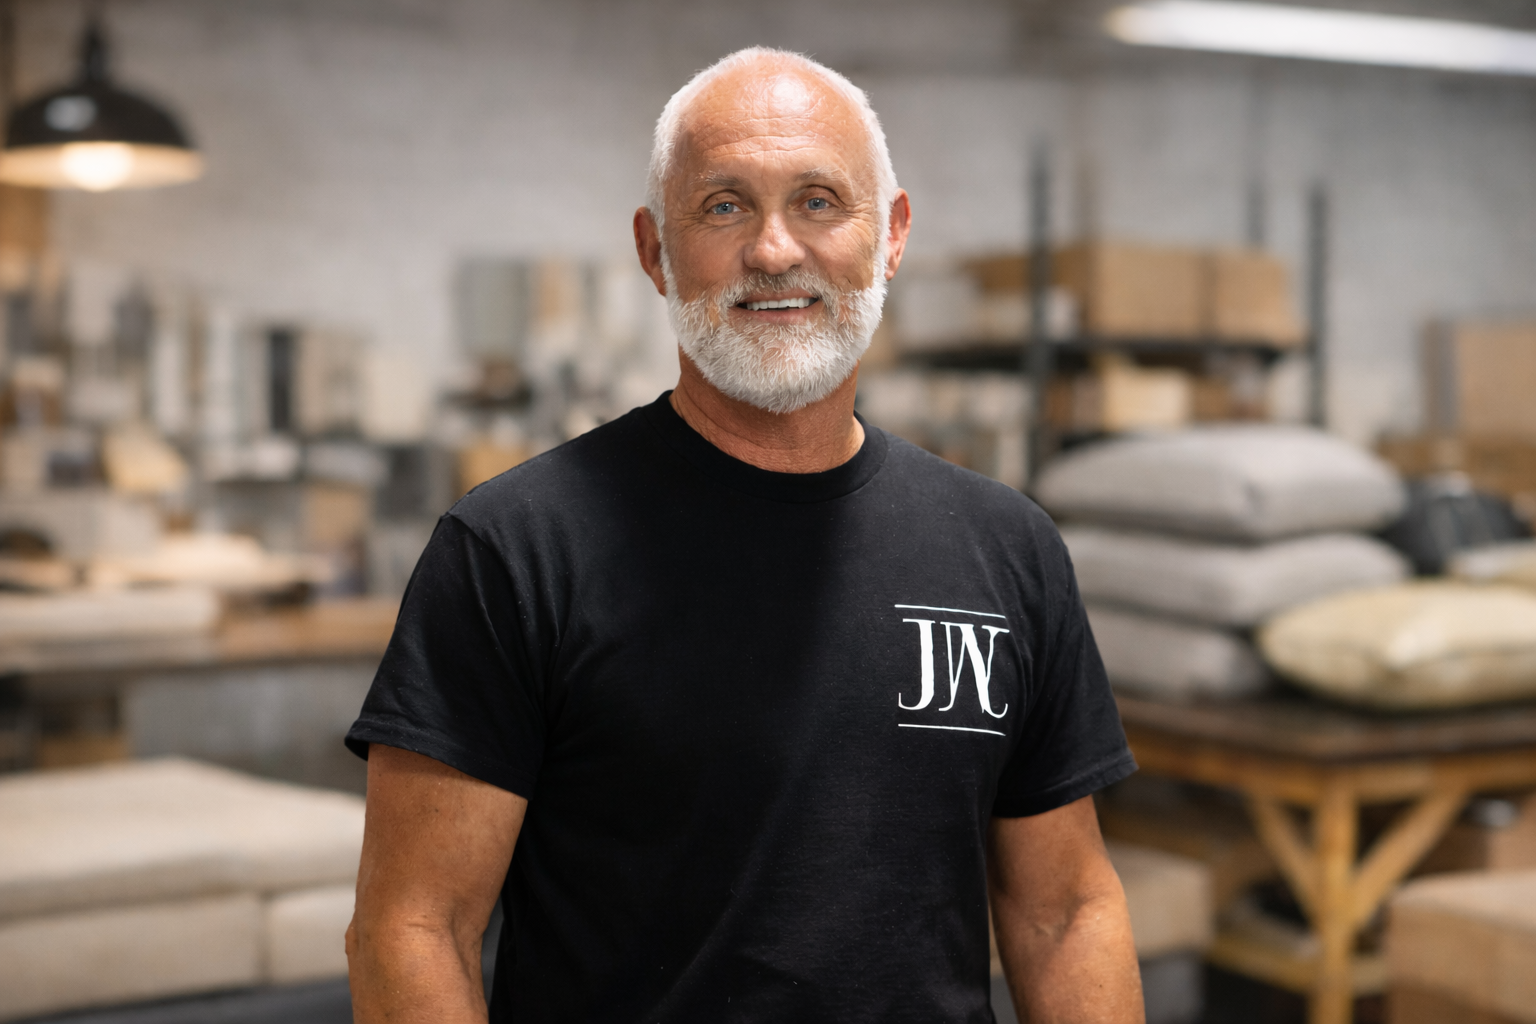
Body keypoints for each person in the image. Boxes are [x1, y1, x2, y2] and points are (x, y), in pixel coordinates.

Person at [345, 46, 1143, 1024]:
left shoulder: (1006, 549)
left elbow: (1066, 912)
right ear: (654, 249)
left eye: (818, 200)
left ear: (890, 235)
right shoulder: (514, 551)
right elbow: (413, 929)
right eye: (724, 206)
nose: (773, 251)